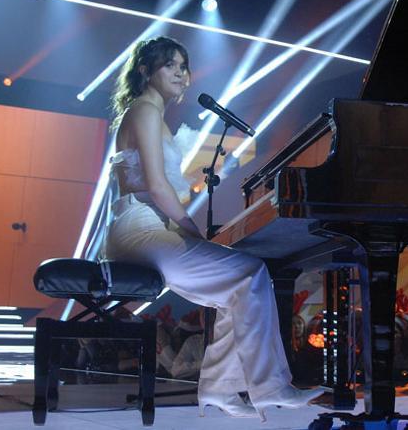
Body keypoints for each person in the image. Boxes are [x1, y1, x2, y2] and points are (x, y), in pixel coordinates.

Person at [105, 36, 323, 420]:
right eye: (169, 65)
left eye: (184, 66)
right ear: (145, 71)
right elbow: (156, 187)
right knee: (251, 271)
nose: (180, 73)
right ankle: (271, 388)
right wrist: (191, 229)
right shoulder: (144, 110)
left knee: (237, 287)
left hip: (140, 227)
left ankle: (221, 389)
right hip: (142, 228)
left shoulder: (146, 115)